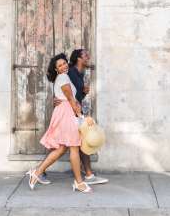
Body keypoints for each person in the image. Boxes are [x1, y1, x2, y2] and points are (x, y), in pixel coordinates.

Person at [26, 53, 95, 193]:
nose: (63, 66)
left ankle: (37, 172)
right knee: (74, 146)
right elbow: (70, 99)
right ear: (56, 69)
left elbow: (69, 98)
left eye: (64, 63)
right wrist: (82, 117)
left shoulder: (63, 77)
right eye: (60, 65)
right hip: (67, 113)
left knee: (62, 148)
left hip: (64, 112)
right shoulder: (63, 77)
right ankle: (79, 183)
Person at [65, 49, 109, 185]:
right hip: (70, 111)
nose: (88, 57)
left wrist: (83, 92)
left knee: (82, 141)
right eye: (85, 55)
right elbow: (65, 91)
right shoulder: (71, 72)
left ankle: (89, 174)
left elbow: (76, 94)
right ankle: (39, 171)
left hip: (75, 110)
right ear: (78, 58)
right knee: (62, 145)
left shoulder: (79, 73)